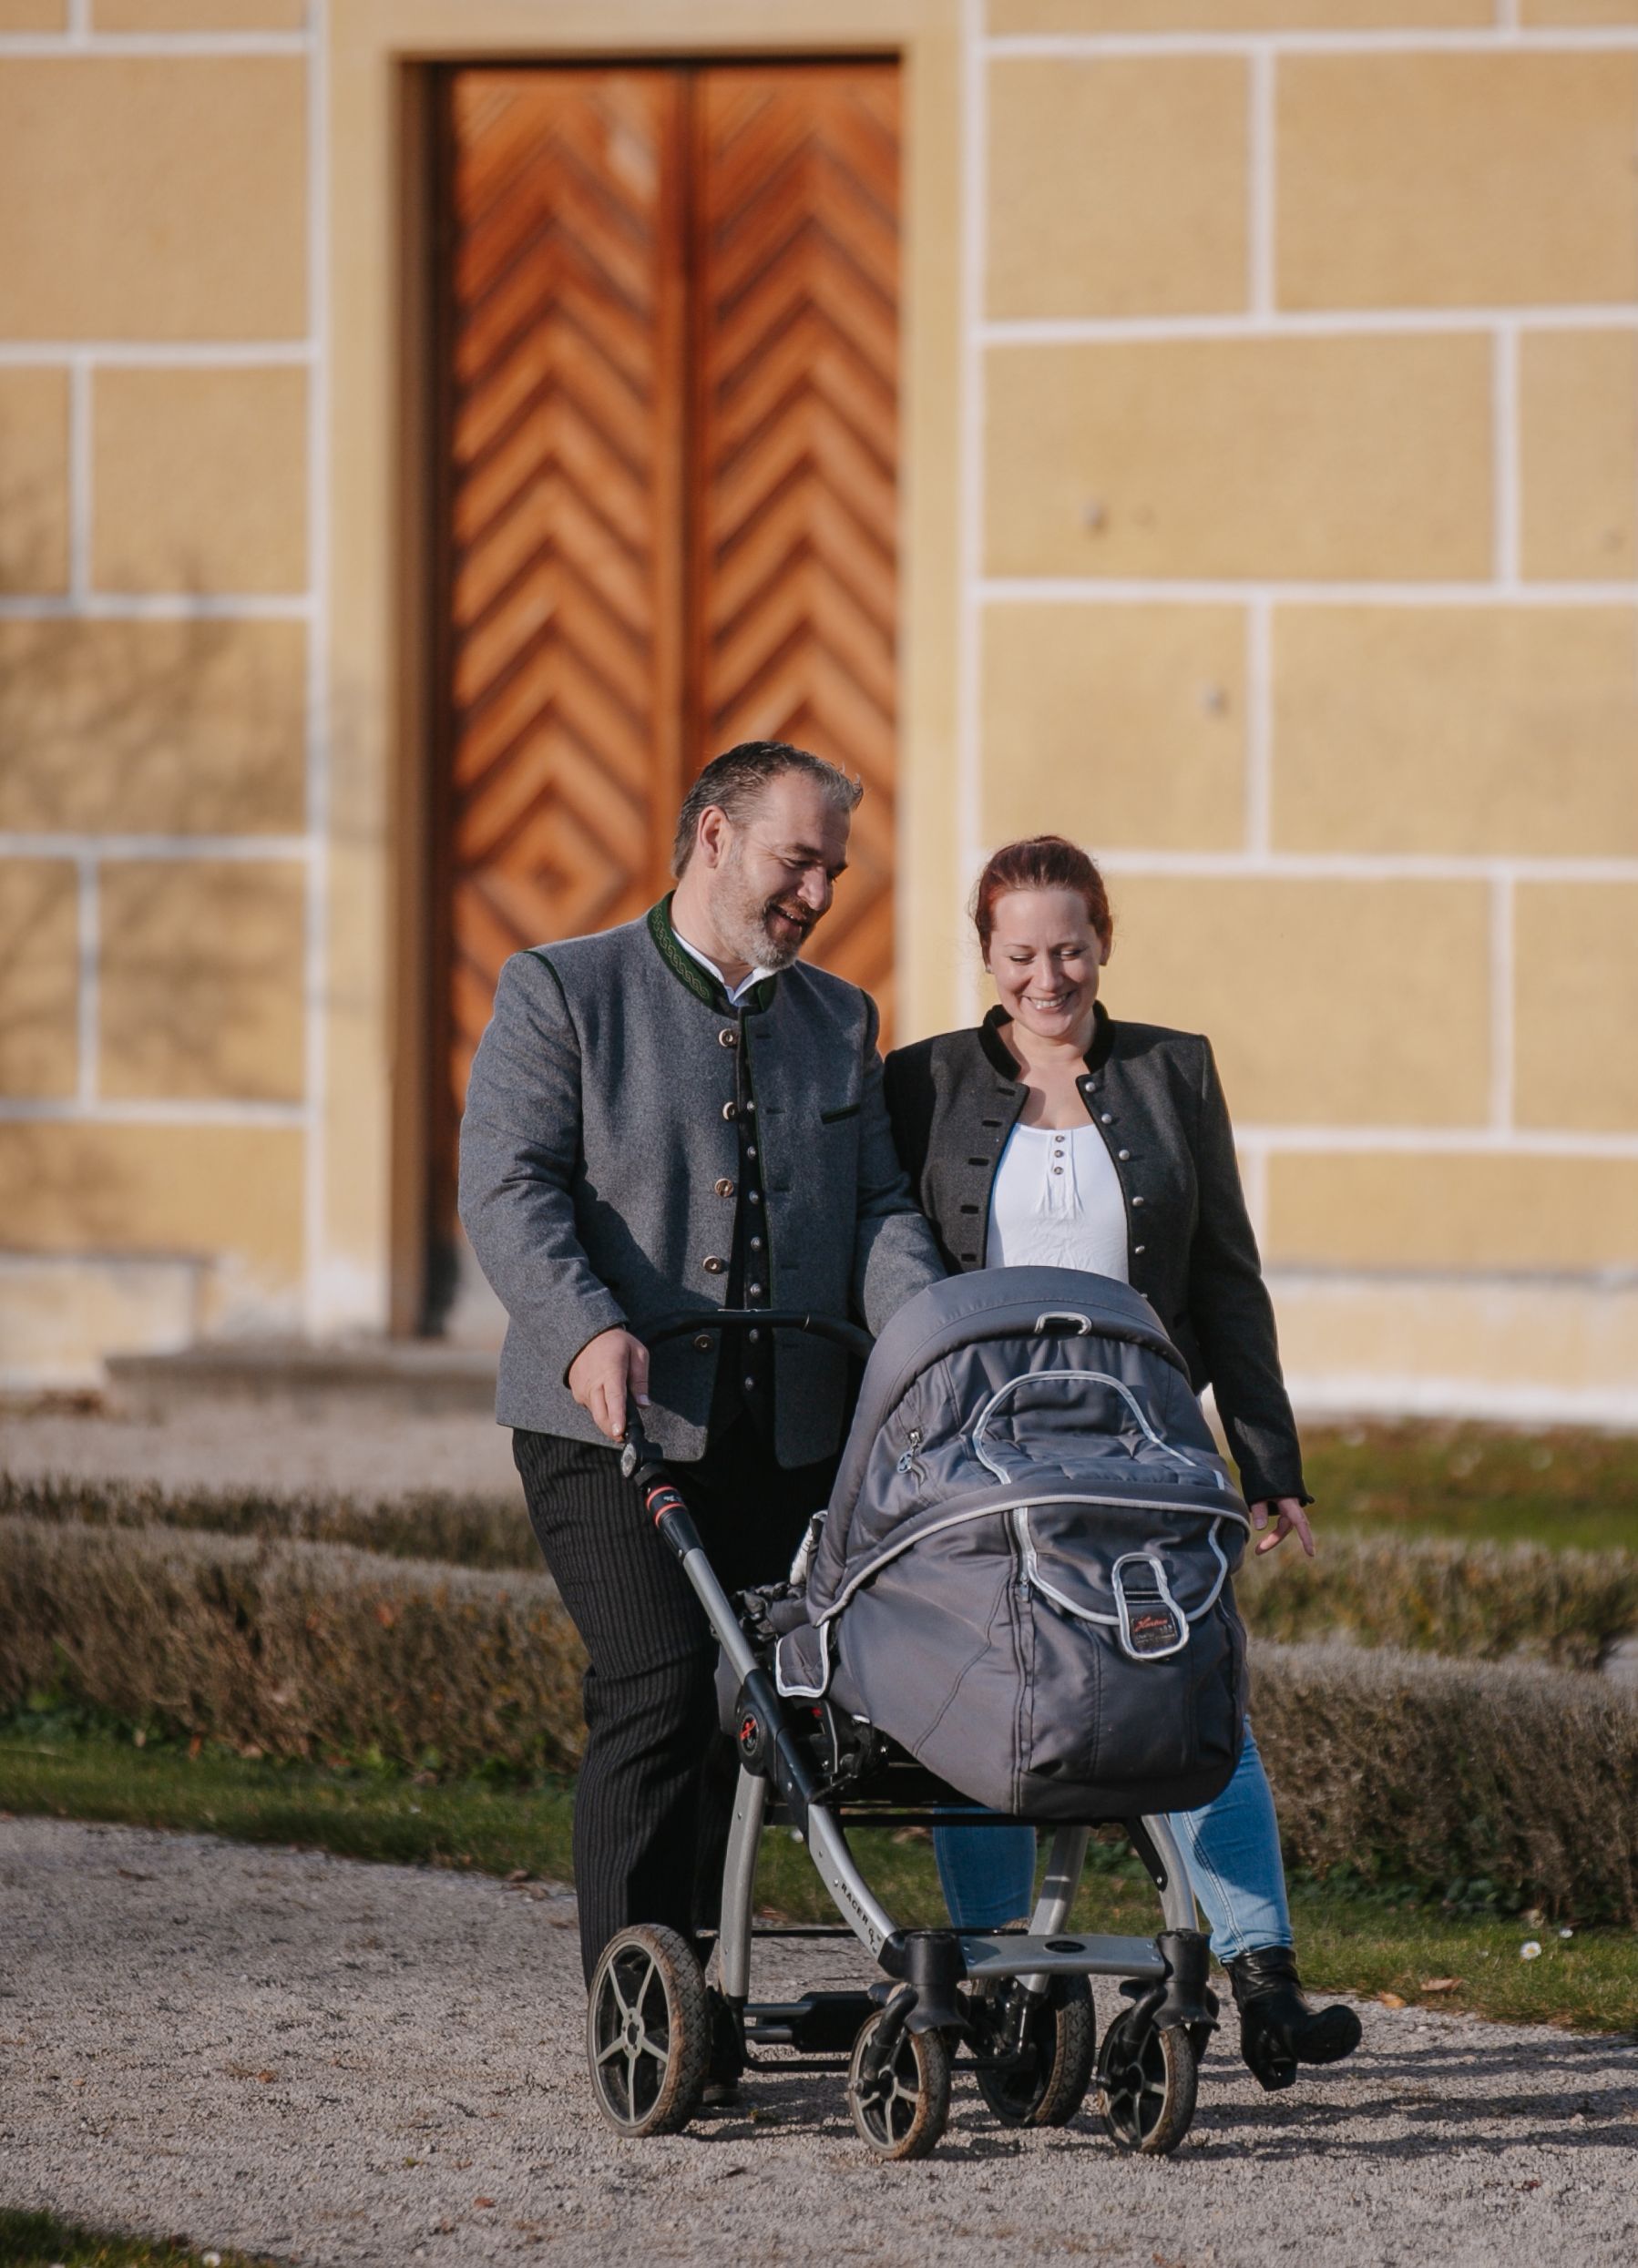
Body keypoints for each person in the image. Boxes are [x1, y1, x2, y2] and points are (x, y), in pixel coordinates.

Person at [457, 740, 944, 2098]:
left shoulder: (839, 1017)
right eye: (800, 859)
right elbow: (508, 1186)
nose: (818, 891)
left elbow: (878, 1210)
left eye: (835, 869)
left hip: (783, 1434)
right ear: (715, 837)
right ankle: (641, 2010)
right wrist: (584, 1325)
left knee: (762, 1708)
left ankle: (700, 1988)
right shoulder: (562, 988)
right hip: (604, 1426)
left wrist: (926, 1335)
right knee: (659, 1682)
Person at [882, 833, 1362, 2092]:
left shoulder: (1168, 1071)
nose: (1050, 975)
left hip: (1140, 1440)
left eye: (1071, 947)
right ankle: (1003, 1984)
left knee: (1187, 1684)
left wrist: (1269, 1462)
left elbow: (1225, 1278)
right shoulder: (920, 1080)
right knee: (979, 1700)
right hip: (978, 1449)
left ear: (1105, 940)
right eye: (1022, 952)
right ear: (985, 957)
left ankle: (1264, 1979)